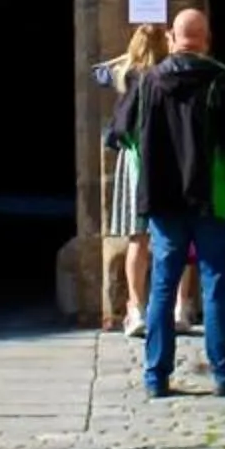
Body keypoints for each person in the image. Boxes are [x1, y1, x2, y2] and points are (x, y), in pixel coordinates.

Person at [109, 5, 225, 399]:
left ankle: (156, 376)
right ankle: (224, 374)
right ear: (207, 41)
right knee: (214, 285)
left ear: (174, 40)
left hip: (162, 197)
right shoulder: (222, 81)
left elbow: (119, 132)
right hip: (211, 196)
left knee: (162, 284)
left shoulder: (147, 82)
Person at [95, 24, 165, 335]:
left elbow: (97, 73)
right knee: (169, 237)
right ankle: (173, 305)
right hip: (164, 161)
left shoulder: (126, 75)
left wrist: (126, 58)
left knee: (137, 238)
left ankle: (136, 307)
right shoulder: (166, 77)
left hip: (133, 161)